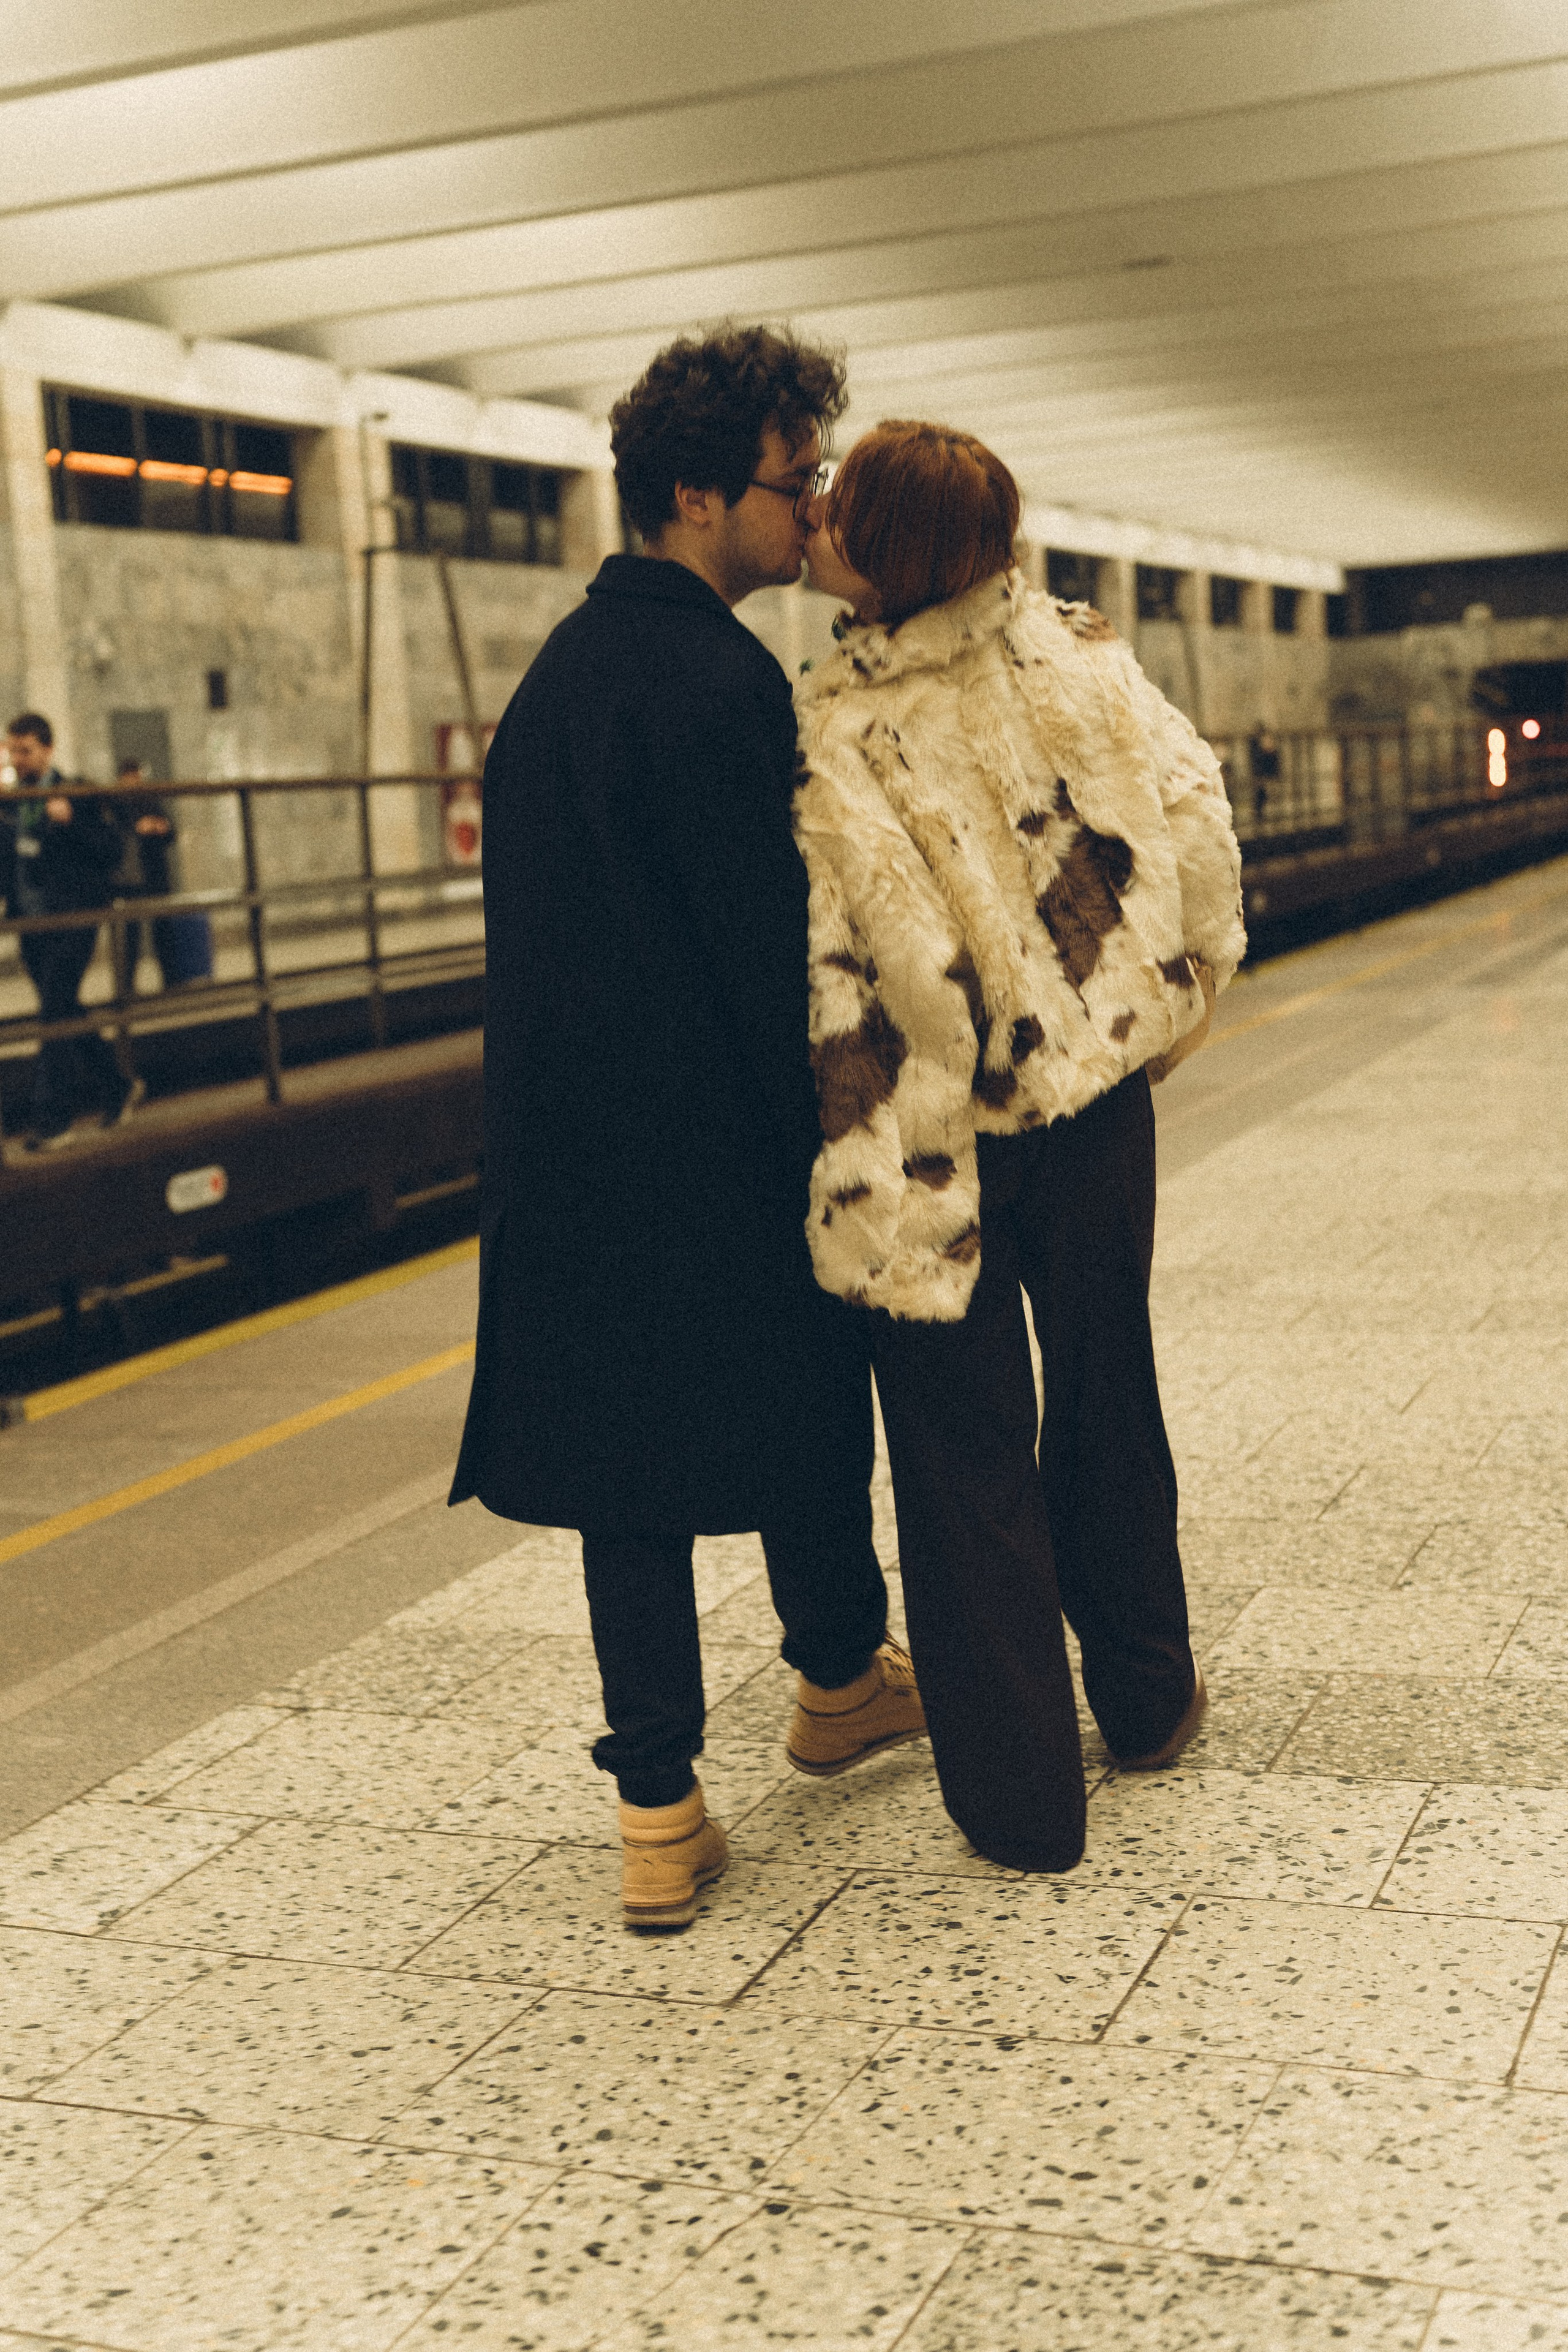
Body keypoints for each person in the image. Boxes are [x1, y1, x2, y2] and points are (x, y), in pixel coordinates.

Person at [450, 328, 925, 1931]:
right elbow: (767, 953)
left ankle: (659, 1811)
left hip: (565, 1157)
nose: (812, 516)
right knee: (805, 1402)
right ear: (702, 492)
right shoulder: (728, 684)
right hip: (716, 1149)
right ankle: (841, 1674)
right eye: (796, 486)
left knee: (622, 1482)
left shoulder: (555, 680)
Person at [793, 422, 1246, 1872]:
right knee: (1108, 1388)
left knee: (958, 1455)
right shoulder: (1077, 655)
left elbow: (851, 973)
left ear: (885, 551)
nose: (811, 524)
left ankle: (1021, 1801)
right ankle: (1147, 1691)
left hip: (945, 1146)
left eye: (836, 510)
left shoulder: (832, 730)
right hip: (1099, 1111)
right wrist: (1164, 1007)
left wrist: (874, 1150)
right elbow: (1194, 825)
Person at [1, 714, 138, 1149]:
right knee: (63, 1009)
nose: (17, 759)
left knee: (53, 1011)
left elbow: (110, 851)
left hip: (73, 916)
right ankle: (118, 1085)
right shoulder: (11, 801)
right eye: (12, 750)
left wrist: (71, 822)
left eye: (25, 750)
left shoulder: (76, 791)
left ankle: (53, 1118)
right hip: (31, 920)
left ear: (47, 749)